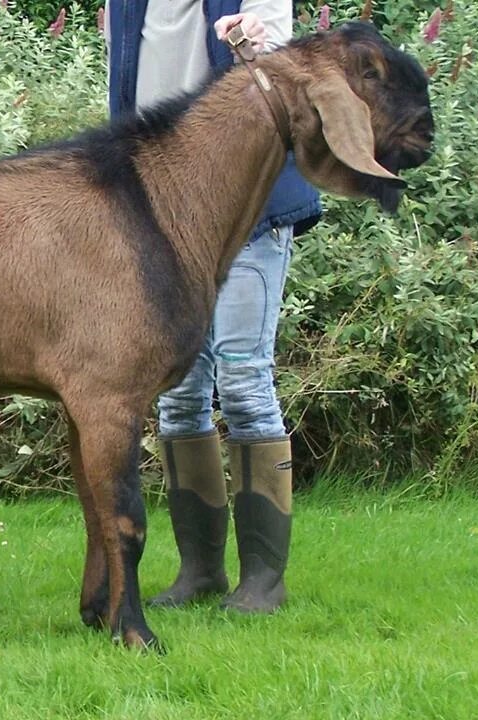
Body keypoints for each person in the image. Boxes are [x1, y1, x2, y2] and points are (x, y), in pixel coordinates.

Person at [105, 0, 321, 612]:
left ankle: (264, 581)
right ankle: (199, 572)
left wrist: (249, 43)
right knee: (178, 391)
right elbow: (125, 102)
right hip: (159, 215)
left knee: (245, 378)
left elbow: (281, 68)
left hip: (246, 208)